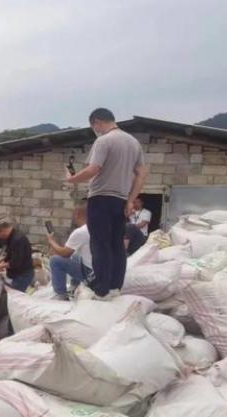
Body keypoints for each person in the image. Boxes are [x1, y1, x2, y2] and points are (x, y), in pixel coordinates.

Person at [65, 108, 148, 299]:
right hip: (120, 200)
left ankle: (101, 290)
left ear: (96, 122)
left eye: (94, 126)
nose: (96, 130)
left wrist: (72, 179)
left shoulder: (104, 140)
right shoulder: (133, 142)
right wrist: (130, 200)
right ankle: (114, 288)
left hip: (101, 198)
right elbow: (141, 174)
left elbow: (93, 169)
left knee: (100, 244)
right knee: (116, 245)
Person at [46, 204, 93, 301]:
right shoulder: (95, 227)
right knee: (76, 255)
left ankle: (61, 294)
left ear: (76, 215)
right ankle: (74, 286)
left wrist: (51, 241)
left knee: (55, 260)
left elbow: (64, 253)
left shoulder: (80, 232)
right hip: (100, 270)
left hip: (90, 275)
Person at [0, 221, 34, 292]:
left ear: (3, 231)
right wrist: (0, 263)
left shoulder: (17, 240)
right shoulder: (11, 237)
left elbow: (15, 262)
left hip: (22, 275)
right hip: (17, 274)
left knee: (15, 298)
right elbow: (10, 255)